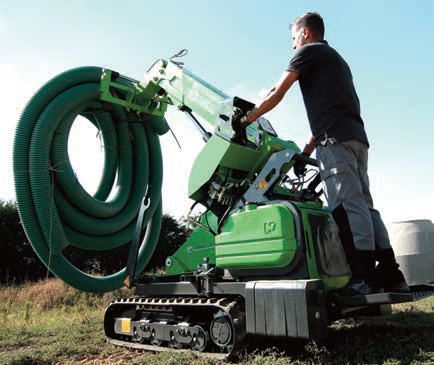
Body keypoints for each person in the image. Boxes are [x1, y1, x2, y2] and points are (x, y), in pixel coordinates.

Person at [233, 12, 409, 295]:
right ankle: (391, 273)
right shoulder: (336, 60)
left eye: (293, 38)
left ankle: (361, 279)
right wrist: (306, 151)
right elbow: (330, 110)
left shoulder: (308, 52)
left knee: (347, 207)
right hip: (355, 139)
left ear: (304, 33)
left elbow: (278, 91)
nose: (292, 46)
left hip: (336, 142)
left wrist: (246, 120)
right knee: (365, 205)